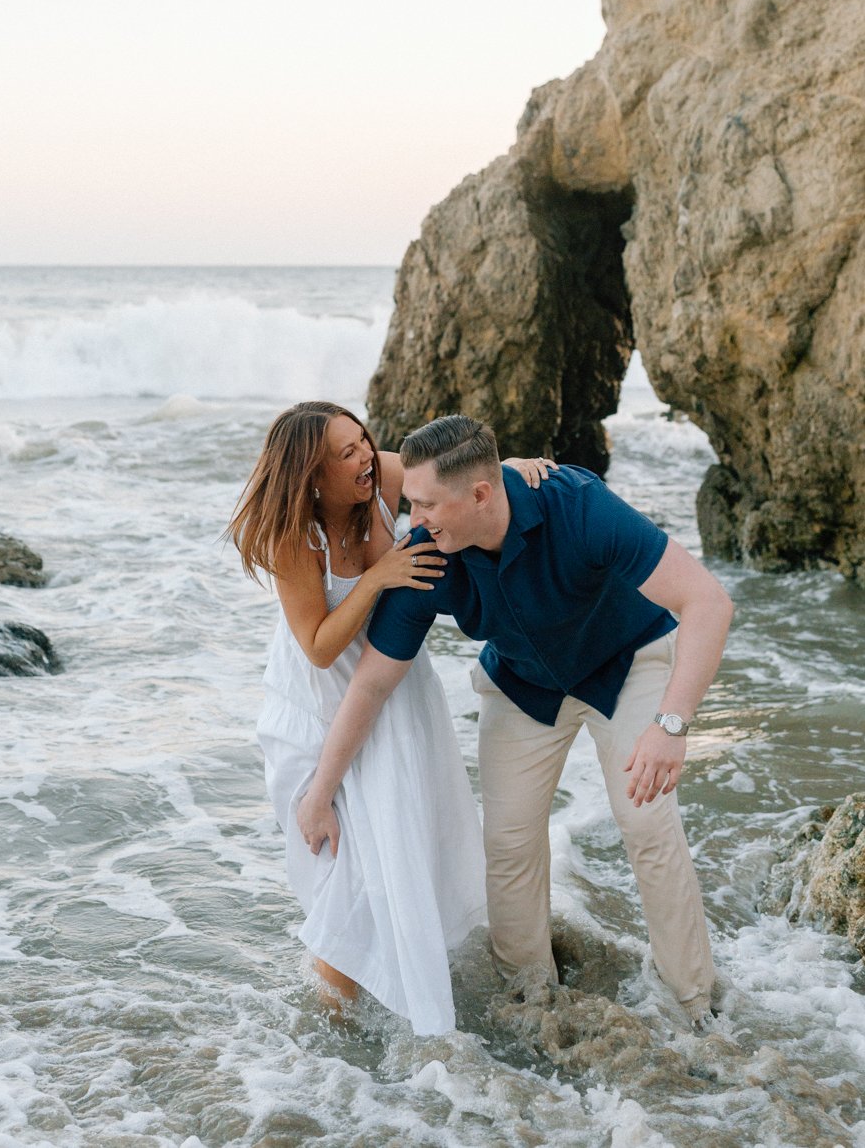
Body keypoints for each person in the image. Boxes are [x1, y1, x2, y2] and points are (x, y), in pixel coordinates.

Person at [296, 414, 734, 1027]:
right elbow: (370, 684)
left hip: (626, 665)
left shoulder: (579, 507)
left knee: (647, 824)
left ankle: (695, 1004)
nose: (411, 521)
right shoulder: (425, 554)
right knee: (506, 840)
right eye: (410, 503)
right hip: (524, 686)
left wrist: (671, 726)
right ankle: (528, 998)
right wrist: (321, 791)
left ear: (481, 494)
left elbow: (708, 600)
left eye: (425, 505)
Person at [227, 400, 556, 1036]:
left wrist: (517, 467)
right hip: (323, 705)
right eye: (344, 454)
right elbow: (320, 648)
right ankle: (335, 1026)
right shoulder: (296, 539)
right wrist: (378, 576)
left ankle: (407, 995)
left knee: (407, 846)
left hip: (395, 691)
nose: (364, 459)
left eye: (362, 442)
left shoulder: (381, 475)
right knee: (346, 867)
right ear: (312, 477)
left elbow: (456, 483)